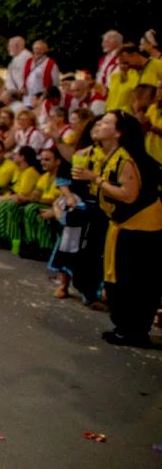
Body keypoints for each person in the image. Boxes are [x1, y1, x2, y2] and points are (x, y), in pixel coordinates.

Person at [73, 112, 162, 347]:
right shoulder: (108, 155)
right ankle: (124, 327)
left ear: (119, 132)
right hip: (123, 225)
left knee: (135, 282)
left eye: (106, 123)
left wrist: (96, 179)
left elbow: (129, 195)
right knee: (122, 280)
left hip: (140, 228)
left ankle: (134, 331)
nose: (99, 125)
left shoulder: (127, 158)